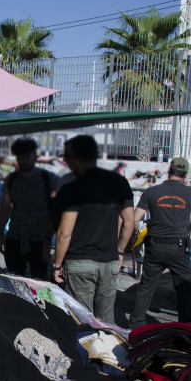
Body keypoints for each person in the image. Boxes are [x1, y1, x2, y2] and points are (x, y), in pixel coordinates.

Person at [52, 135, 134, 324]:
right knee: (107, 321)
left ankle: (86, 353)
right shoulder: (119, 182)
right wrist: (119, 251)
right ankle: (110, 352)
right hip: (109, 262)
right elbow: (129, 222)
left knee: (82, 320)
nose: (66, 162)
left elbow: (65, 232)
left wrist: (57, 264)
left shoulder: (72, 187)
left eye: (67, 157)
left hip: (80, 263)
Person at [128, 157, 191, 328]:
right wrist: (188, 182)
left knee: (146, 286)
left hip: (155, 246)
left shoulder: (151, 192)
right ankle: (186, 324)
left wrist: (133, 237)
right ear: (185, 174)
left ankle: (136, 323)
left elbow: (135, 218)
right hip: (178, 247)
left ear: (169, 169)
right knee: (184, 287)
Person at [0, 138, 58, 279]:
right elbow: (5, 207)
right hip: (14, 239)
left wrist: (49, 238)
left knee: (40, 284)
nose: (23, 160)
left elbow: (56, 211)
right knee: (16, 281)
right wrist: (0, 232)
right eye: (20, 157)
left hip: (39, 241)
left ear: (35, 157)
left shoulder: (48, 179)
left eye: (27, 156)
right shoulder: (11, 180)